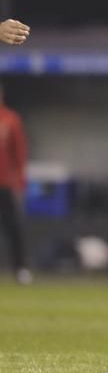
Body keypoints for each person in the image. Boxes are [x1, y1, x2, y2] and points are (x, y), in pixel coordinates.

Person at [0, 82, 28, 283]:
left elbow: (20, 153)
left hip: (4, 184)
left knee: (13, 228)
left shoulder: (11, 119)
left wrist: (20, 182)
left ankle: (20, 268)